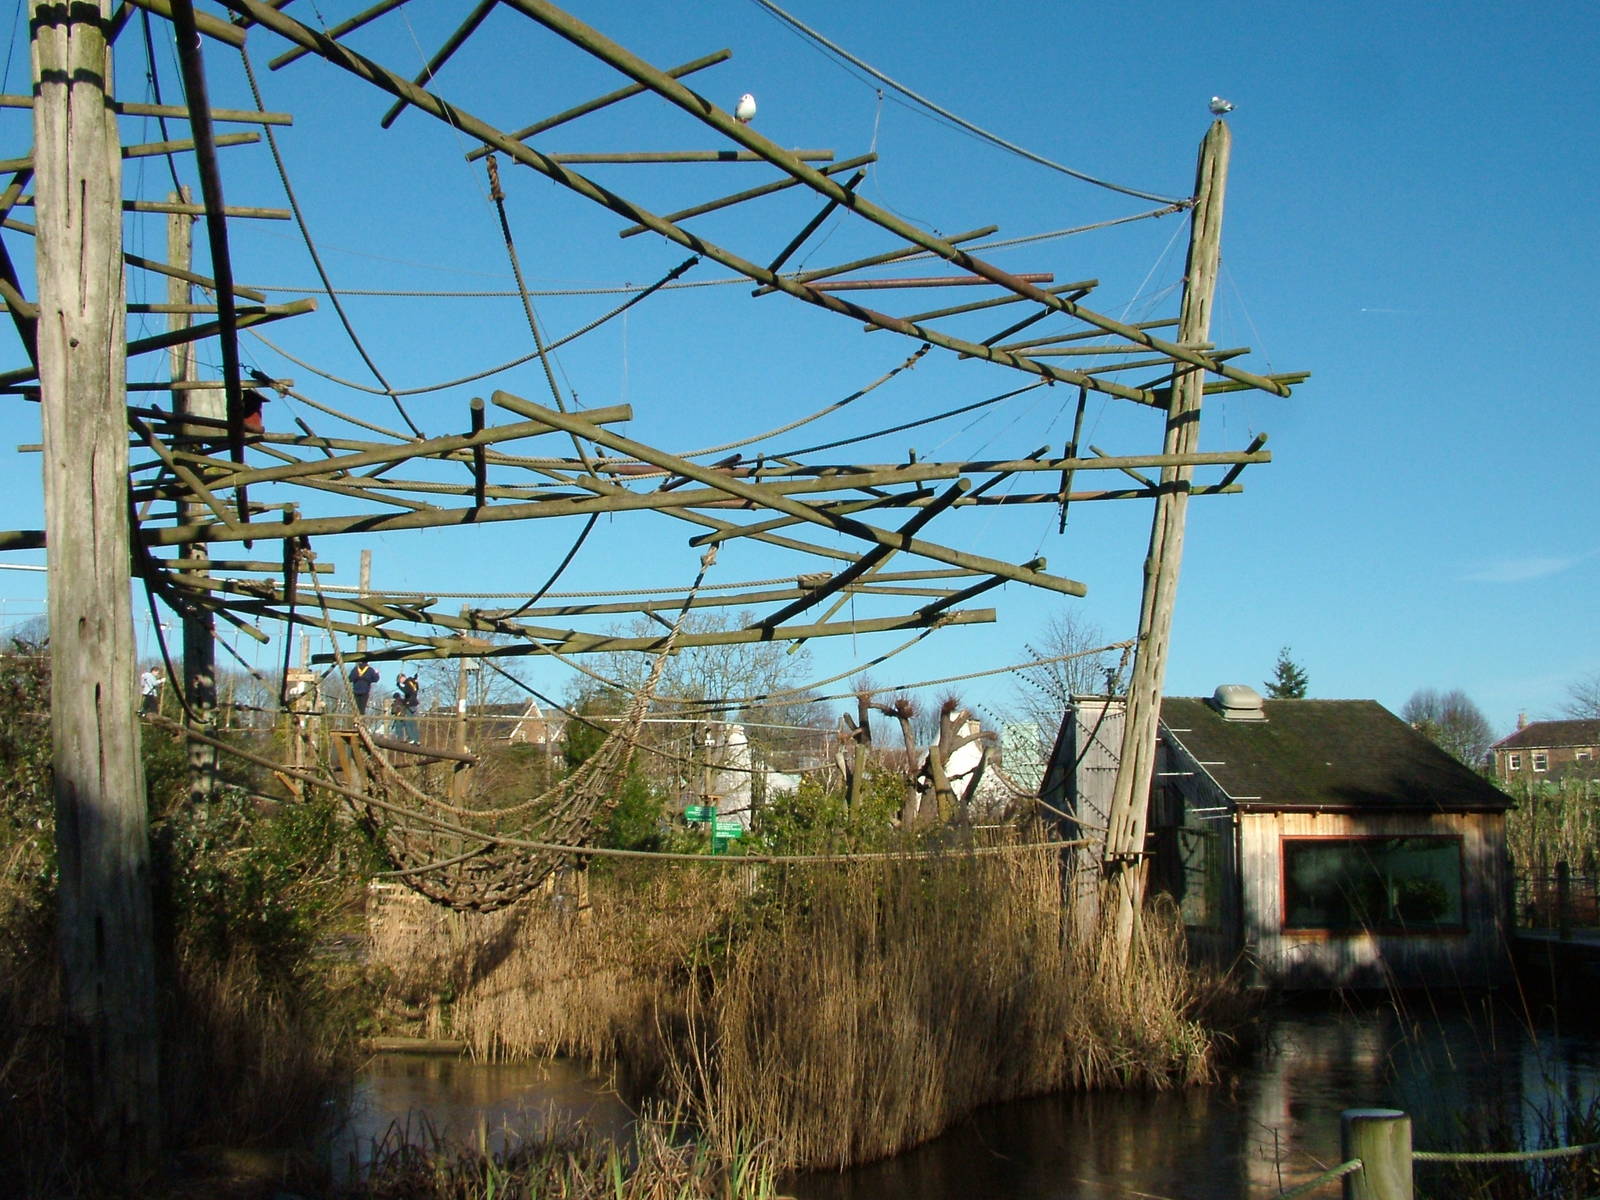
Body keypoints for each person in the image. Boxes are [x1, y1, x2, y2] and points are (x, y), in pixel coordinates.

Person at [393, 672, 420, 743]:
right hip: (414, 702)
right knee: (412, 722)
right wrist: (415, 680)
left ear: (402, 678)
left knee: (408, 722)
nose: (401, 682)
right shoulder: (412, 681)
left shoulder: (408, 682)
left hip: (410, 703)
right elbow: (416, 688)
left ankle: (412, 738)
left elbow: (407, 691)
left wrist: (399, 686)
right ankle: (416, 739)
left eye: (400, 680)